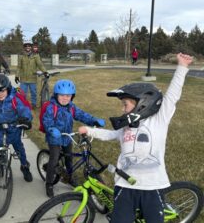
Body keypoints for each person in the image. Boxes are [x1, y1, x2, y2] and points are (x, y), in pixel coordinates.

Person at [78, 53, 193, 223]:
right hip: (125, 187)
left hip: (152, 187)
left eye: (125, 104)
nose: (123, 109)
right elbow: (110, 134)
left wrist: (182, 67)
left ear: (142, 103)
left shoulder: (158, 121)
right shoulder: (126, 126)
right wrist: (89, 130)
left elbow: (172, 96)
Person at [42, 79, 106, 198]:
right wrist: (51, 129)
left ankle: (69, 177)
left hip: (67, 137)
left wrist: (94, 120)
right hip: (54, 137)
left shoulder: (71, 107)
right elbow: (47, 121)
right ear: (56, 95)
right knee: (54, 159)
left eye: (68, 95)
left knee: (69, 158)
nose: (65, 98)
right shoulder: (51, 108)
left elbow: (82, 115)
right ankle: (49, 183)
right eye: (62, 95)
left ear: (72, 96)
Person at [15, 40, 48, 109]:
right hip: (23, 79)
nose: (28, 47)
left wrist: (45, 72)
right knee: (22, 94)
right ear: (24, 47)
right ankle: (22, 105)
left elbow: (40, 65)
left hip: (32, 79)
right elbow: (19, 67)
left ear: (31, 47)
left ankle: (33, 105)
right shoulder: (21, 56)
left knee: (34, 93)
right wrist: (17, 76)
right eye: (26, 46)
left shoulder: (35, 56)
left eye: (29, 46)